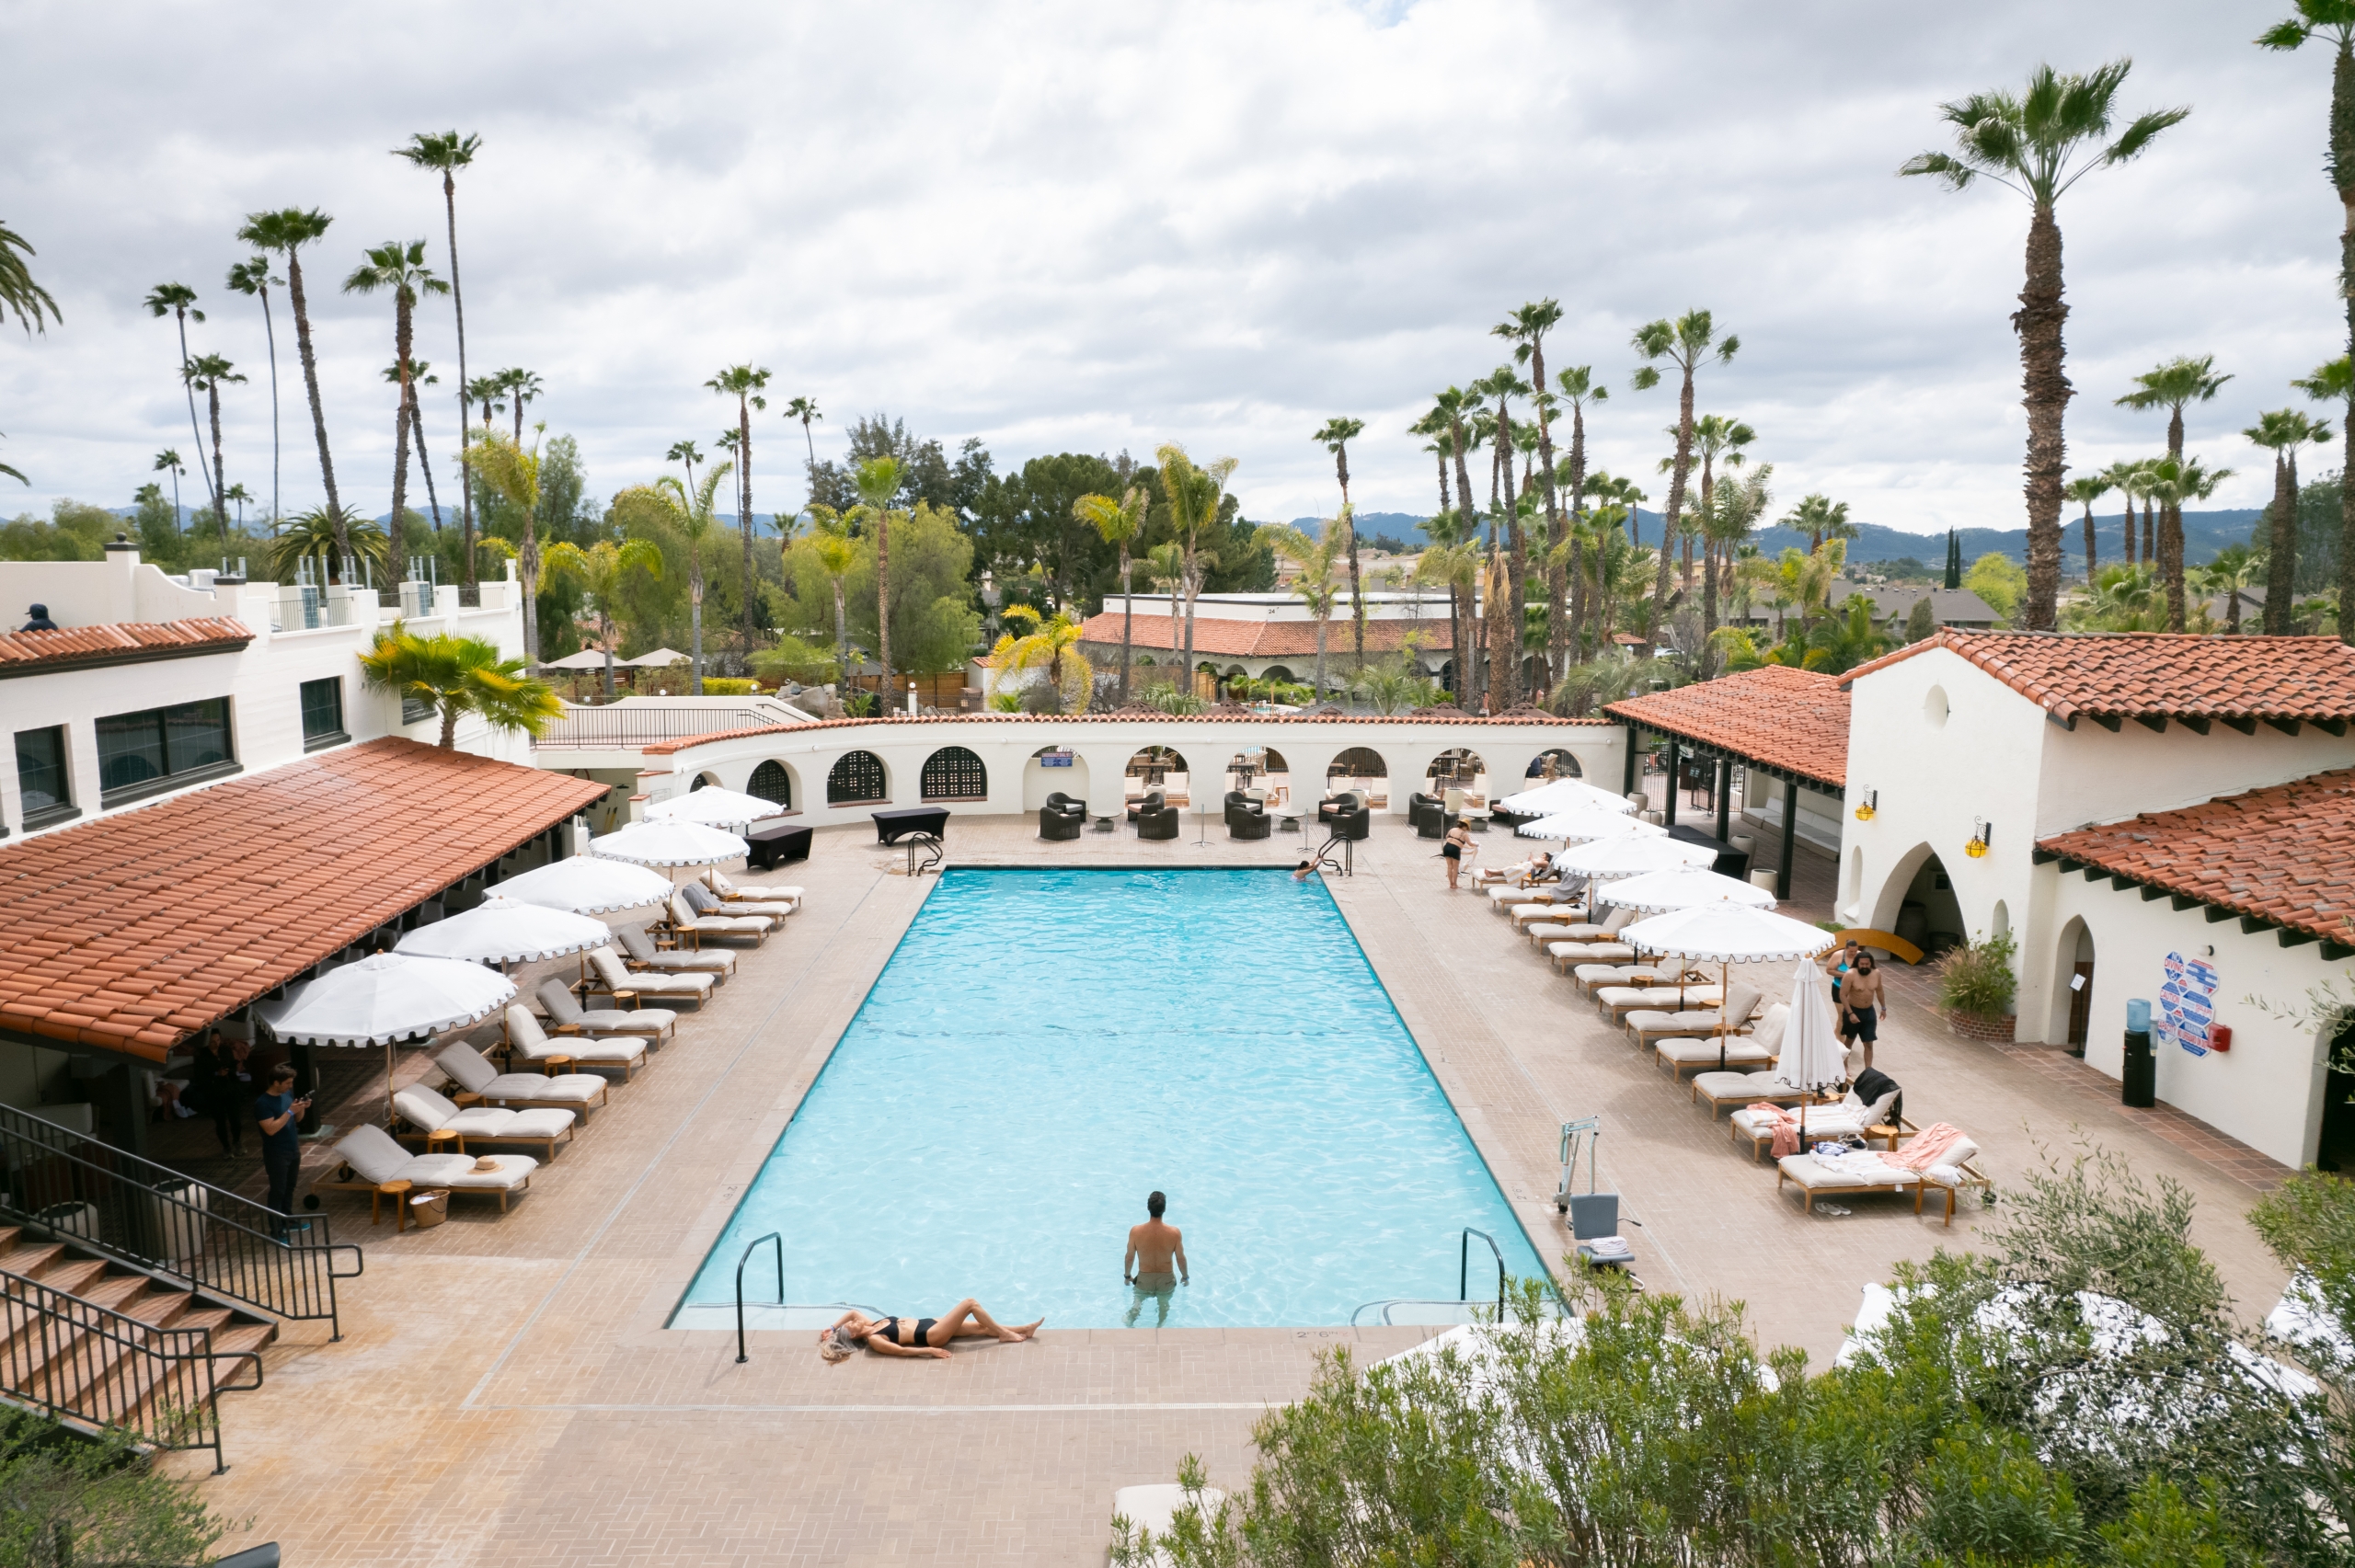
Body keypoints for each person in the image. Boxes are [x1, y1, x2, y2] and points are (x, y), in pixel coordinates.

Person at [817, 1300, 1042, 1362]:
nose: (853, 1323)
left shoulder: (871, 1324)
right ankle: (1007, 1334)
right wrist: (929, 1351)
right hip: (930, 1335)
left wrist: (832, 1327)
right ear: (854, 1335)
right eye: (850, 1328)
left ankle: (1024, 1329)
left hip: (928, 1322)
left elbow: (852, 1312)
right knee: (970, 1304)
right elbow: (900, 1352)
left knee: (982, 1327)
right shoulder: (875, 1339)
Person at [254, 1064, 311, 1234]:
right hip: (276, 1153)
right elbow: (270, 1129)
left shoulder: (286, 1094)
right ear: (276, 1082)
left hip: (292, 1149)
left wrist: (300, 1109)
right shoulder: (262, 1104)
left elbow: (297, 1119)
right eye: (287, 1083)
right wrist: (289, 1111)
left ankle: (288, 1220)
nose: (290, 1086)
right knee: (278, 1190)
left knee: (289, 1187)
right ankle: (276, 1230)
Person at [1123, 1190, 1190, 1327]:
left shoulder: (1136, 1231)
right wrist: (1185, 1277)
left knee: (1137, 1305)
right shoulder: (1174, 1233)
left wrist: (1127, 1276)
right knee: (1164, 1307)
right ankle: (1160, 1327)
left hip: (1144, 1279)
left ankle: (1129, 1325)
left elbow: (1130, 1257)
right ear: (1164, 1209)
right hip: (1165, 1280)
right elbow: (1181, 1259)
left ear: (1148, 1208)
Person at [190, 1029, 245, 1156]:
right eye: (212, 1041)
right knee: (220, 1121)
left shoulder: (225, 1050)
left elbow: (232, 1066)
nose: (216, 1044)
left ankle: (237, 1141)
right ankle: (226, 1147)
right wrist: (216, 1074)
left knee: (235, 1119)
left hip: (230, 1089)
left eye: (218, 1040)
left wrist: (229, 1070)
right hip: (214, 1092)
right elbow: (200, 1077)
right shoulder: (201, 1055)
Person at [1840, 952, 1889, 1069]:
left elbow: (1880, 991)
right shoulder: (1850, 974)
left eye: (1867, 964)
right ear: (1857, 963)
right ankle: (1844, 1066)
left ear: (1871, 963)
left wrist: (1883, 1007)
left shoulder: (1876, 973)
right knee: (1849, 1041)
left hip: (1869, 1012)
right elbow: (1842, 995)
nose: (1865, 966)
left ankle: (1868, 1071)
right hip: (1853, 1010)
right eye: (1862, 964)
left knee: (1869, 1043)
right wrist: (1850, 1013)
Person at [1441, 819, 1476, 891]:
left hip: (1447, 847)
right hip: (1455, 849)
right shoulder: (1464, 834)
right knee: (1455, 868)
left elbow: (1447, 837)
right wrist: (1477, 844)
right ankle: (1455, 884)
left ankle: (1451, 884)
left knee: (1449, 867)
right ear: (1465, 826)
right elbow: (1470, 844)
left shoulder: (1452, 829)